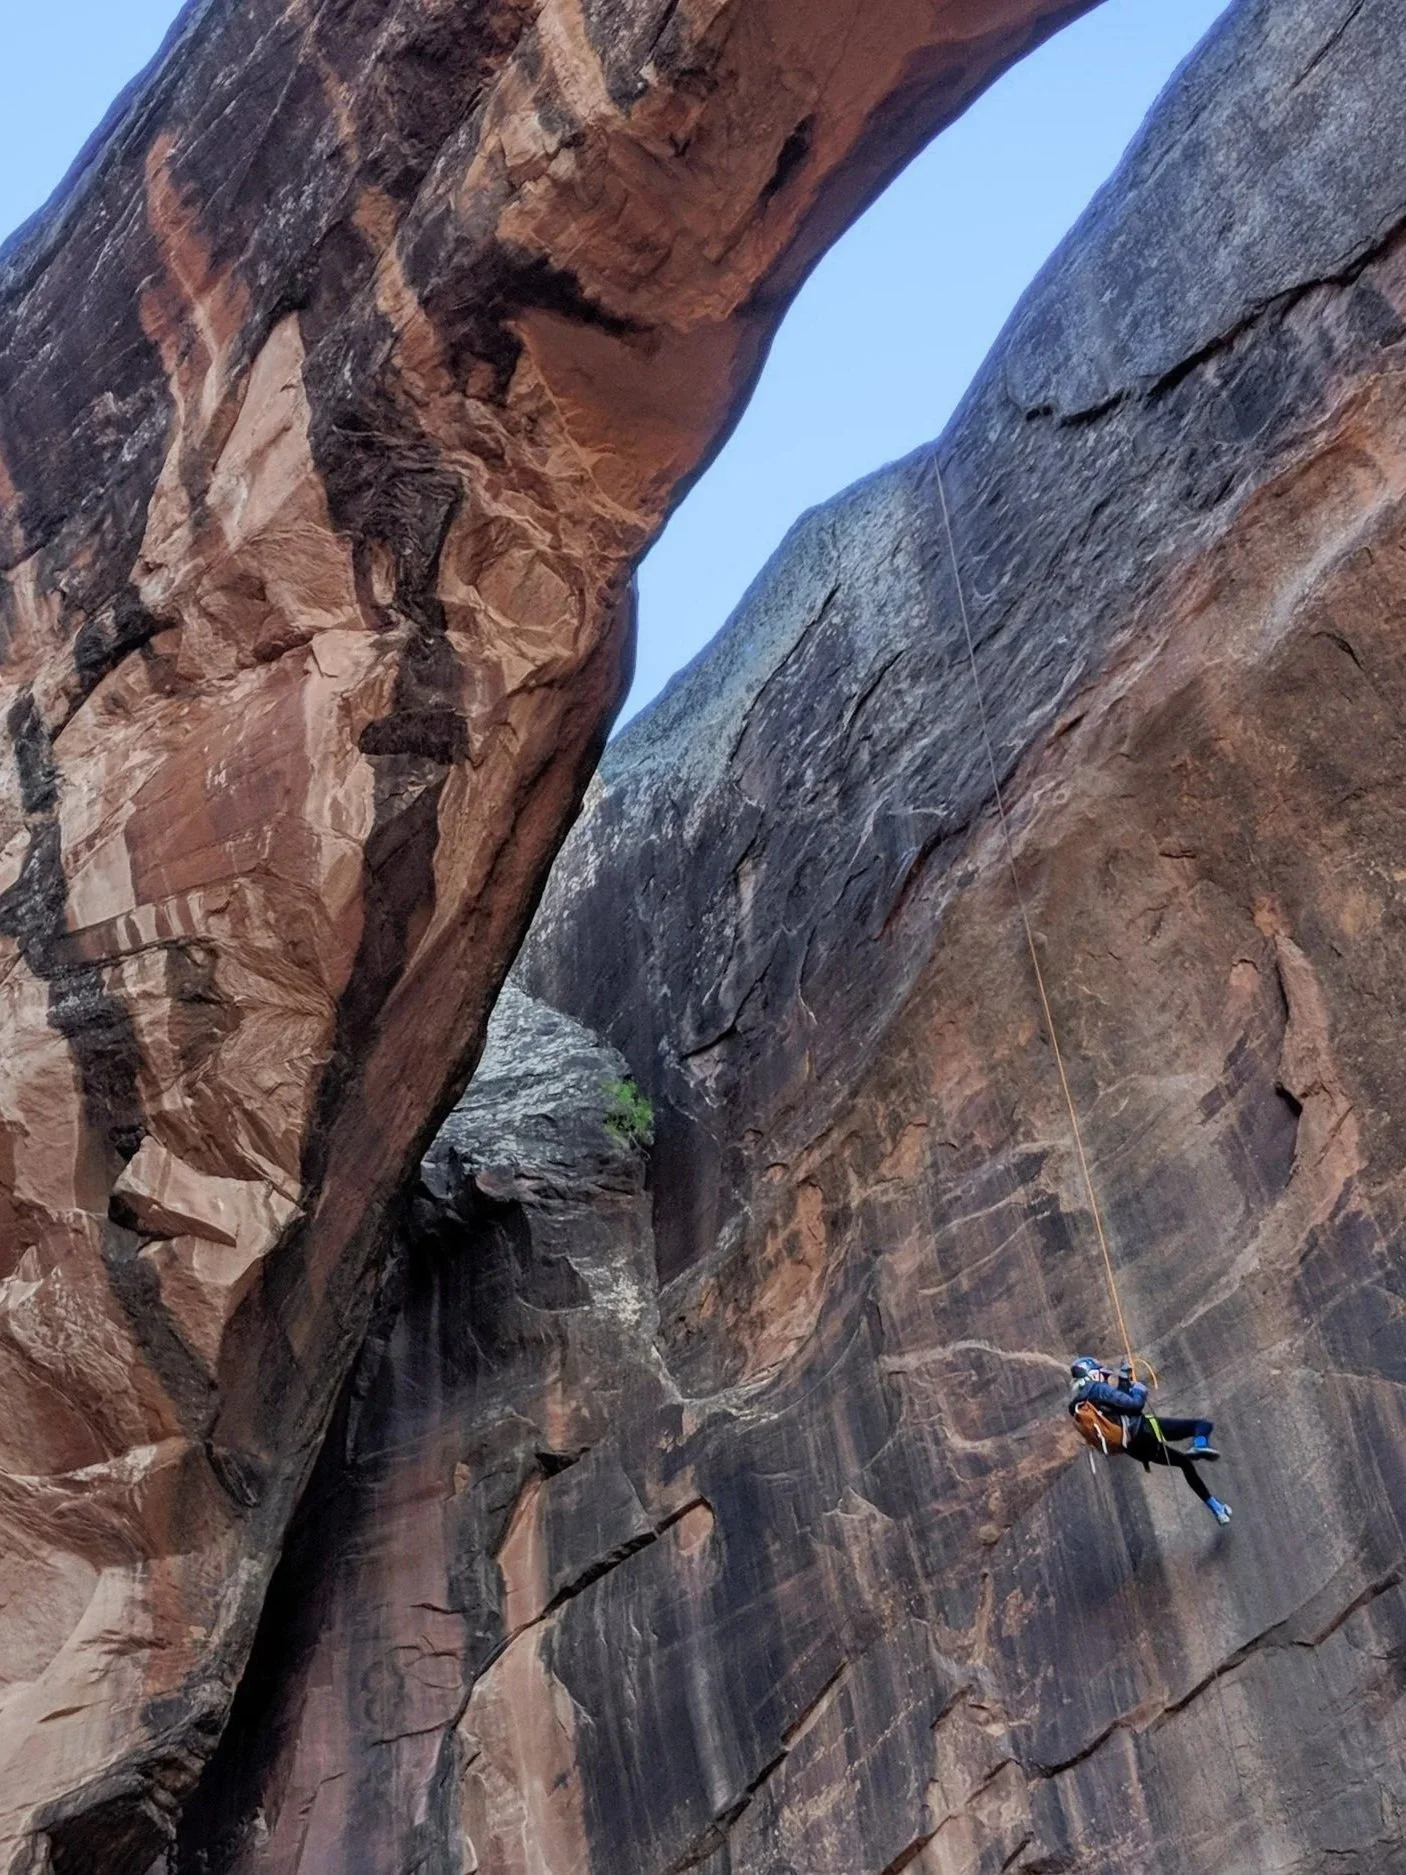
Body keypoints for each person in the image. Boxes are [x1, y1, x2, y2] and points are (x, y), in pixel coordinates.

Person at [1069, 1356, 1232, 1526]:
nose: (1104, 1379)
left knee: (1184, 1463)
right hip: (1144, 1431)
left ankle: (1217, 1509)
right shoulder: (1097, 1389)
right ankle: (1200, 1445)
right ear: (1093, 1374)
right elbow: (1134, 1404)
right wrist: (1140, 1390)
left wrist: (1124, 1378)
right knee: (1202, 1425)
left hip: (1134, 1448)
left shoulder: (1081, 1403)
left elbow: (1119, 1408)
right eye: (1102, 1375)